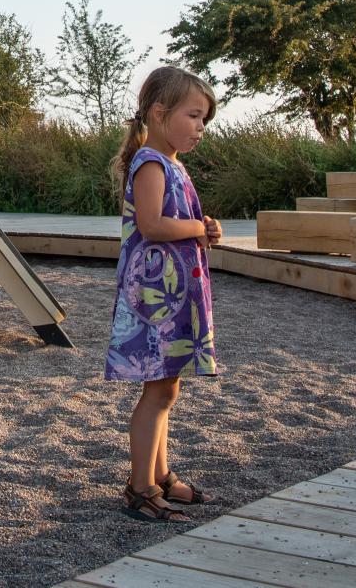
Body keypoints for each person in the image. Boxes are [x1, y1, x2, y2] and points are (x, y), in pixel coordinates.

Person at [106, 65, 222, 523]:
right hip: (155, 298)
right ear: (158, 113)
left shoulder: (172, 162)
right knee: (156, 393)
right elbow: (152, 225)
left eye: (204, 119)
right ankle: (140, 487)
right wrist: (198, 227)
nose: (200, 127)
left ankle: (162, 474)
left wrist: (201, 228)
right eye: (194, 115)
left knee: (167, 387)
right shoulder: (150, 163)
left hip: (173, 293)